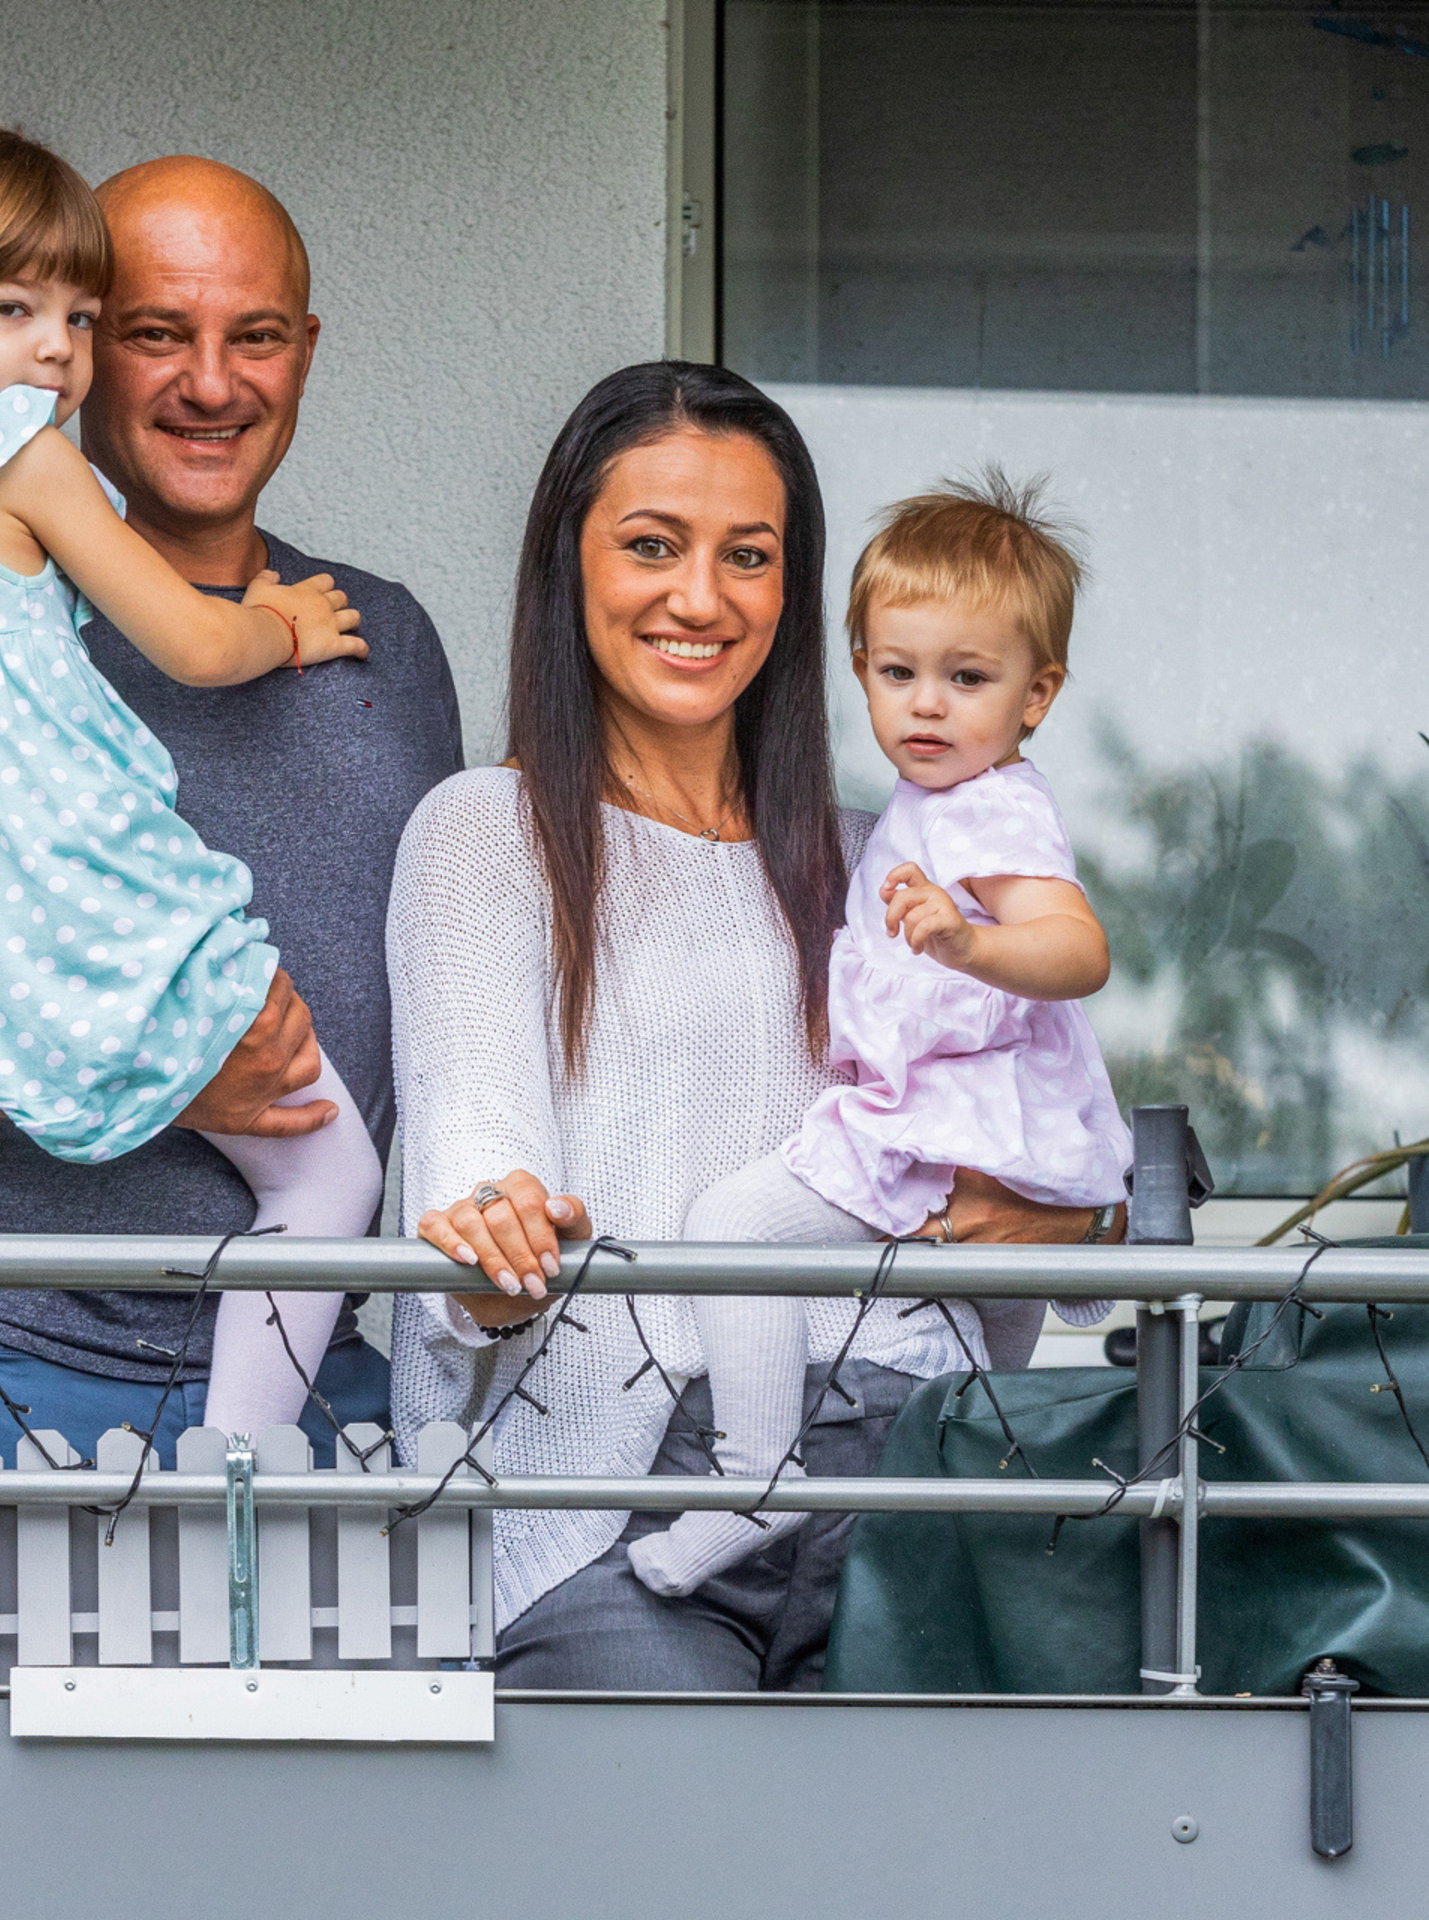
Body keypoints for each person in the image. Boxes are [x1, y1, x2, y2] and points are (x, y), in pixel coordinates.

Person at [389, 362, 1122, 1692]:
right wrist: (492, 1243)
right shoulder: (486, 833)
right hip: (617, 1515)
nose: (700, 596)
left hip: (911, 1474)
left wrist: (1076, 1224)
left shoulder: (889, 863)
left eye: (748, 555)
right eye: (651, 545)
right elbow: (472, 1156)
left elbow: (1043, 1134)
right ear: (567, 563)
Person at [0, 145, 464, 1465]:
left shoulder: (388, 639)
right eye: (155, 333)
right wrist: (163, 1070)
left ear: (307, 353)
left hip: (320, 1387)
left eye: (256, 336)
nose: (212, 384)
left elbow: (450, 1011)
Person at [629, 473, 1128, 1599]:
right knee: (983, 1375)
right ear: (859, 668)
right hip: (984, 1125)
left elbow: (1078, 948)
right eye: (898, 674)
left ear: (1039, 693)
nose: (927, 707)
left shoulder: (993, 808)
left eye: (968, 678)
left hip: (946, 1123)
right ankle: (972, 1501)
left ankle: (756, 1478)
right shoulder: (937, 803)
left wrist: (969, 944)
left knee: (733, 1226)